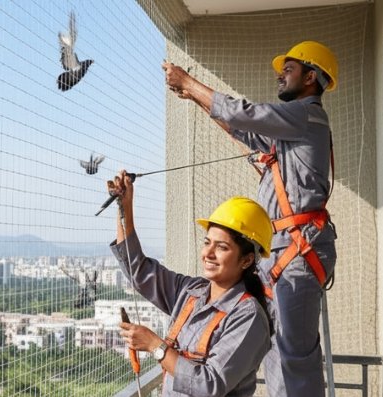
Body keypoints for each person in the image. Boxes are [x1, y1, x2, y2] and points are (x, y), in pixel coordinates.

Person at [162, 41, 339, 396]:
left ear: (311, 77)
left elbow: (245, 114)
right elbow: (244, 130)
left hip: (297, 252)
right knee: (274, 347)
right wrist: (193, 95)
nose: (280, 75)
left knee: (294, 354)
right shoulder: (293, 130)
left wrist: (191, 83)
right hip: (283, 252)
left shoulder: (306, 115)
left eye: (288, 69)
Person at [110, 170, 273, 397]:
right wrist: (124, 208)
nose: (208, 253)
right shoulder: (190, 292)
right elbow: (139, 271)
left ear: (246, 260)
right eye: (207, 242)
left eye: (222, 247)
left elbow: (208, 385)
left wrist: (155, 345)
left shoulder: (248, 317)